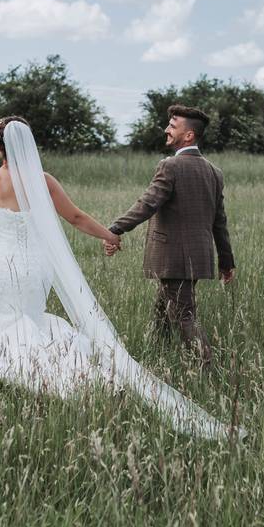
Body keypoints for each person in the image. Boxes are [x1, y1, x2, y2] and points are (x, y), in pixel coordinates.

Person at [0, 116, 240, 439]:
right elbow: (75, 217)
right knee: (28, 320)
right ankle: (83, 375)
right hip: (36, 270)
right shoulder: (42, 181)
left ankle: (26, 371)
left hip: (1, 265)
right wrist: (109, 235)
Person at [105, 105, 235, 365]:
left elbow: (148, 203)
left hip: (173, 257)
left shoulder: (171, 165)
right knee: (163, 310)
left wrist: (114, 229)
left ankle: (206, 368)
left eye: (173, 126)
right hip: (197, 257)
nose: (166, 129)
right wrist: (226, 261)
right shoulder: (214, 171)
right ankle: (154, 357)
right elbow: (219, 222)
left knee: (185, 314)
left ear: (188, 136)